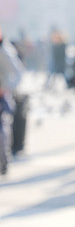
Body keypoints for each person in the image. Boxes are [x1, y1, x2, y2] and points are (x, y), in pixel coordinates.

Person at [0, 27, 25, 174]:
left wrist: (6, 88)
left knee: (2, 132)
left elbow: (18, 73)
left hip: (2, 97)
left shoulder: (5, 50)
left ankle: (3, 162)